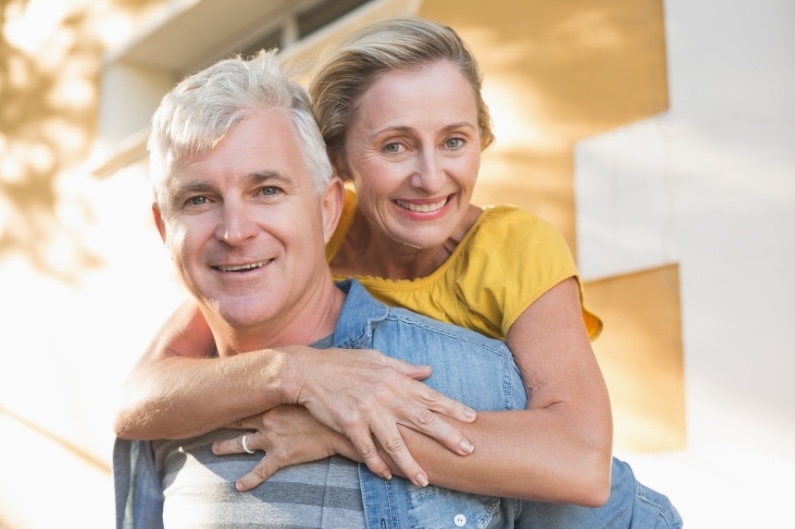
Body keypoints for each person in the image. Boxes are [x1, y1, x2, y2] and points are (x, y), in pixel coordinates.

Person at [115, 17, 681, 528]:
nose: (431, 178)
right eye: (395, 146)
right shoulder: (295, 245)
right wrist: (297, 371)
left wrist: (341, 430)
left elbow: (581, 463)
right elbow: (140, 394)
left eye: (455, 141)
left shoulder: (511, 250)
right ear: (339, 165)